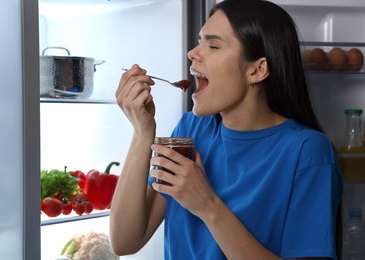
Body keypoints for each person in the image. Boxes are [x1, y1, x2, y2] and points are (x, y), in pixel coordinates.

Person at [109, 0, 343, 259]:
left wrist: (207, 205)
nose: (193, 53)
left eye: (213, 45)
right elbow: (124, 241)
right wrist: (143, 132)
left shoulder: (307, 151)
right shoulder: (190, 131)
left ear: (257, 69)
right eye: (199, 42)